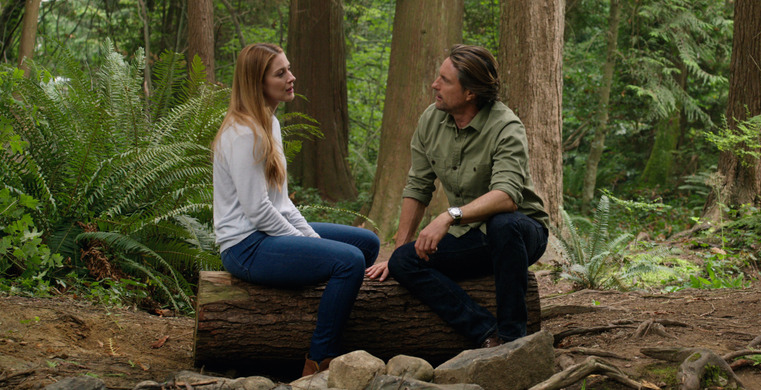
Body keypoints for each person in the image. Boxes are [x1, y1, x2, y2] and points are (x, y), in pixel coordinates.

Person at [212, 43, 380, 376]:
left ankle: (324, 303)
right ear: (257, 83)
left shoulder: (268, 124)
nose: (292, 77)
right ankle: (319, 361)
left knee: (368, 244)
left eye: (288, 69)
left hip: (266, 236)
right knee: (349, 261)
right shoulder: (243, 133)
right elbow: (257, 211)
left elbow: (281, 201)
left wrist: (310, 238)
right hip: (245, 246)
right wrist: (313, 246)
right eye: (281, 73)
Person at [366, 44, 549, 349]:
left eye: (445, 80)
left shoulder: (506, 127)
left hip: (521, 233)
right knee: (404, 262)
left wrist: (449, 216)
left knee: (504, 224)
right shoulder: (431, 119)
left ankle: (515, 337)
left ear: (470, 93)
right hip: (472, 238)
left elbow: (506, 196)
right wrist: (399, 251)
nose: (434, 85)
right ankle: (487, 333)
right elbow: (418, 185)